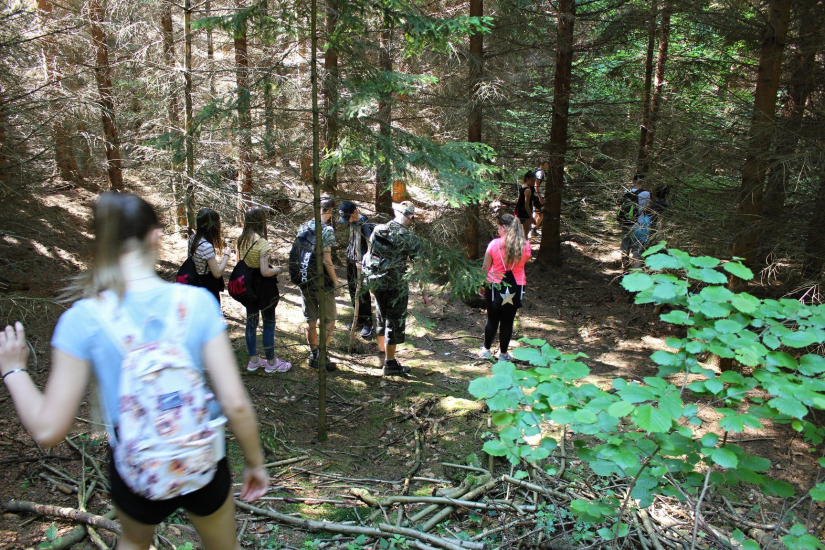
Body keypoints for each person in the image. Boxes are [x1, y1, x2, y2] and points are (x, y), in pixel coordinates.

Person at [0, 192, 268, 550]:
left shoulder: (83, 319)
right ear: (155, 237)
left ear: (101, 244)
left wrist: (14, 371)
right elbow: (235, 403)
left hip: (134, 467)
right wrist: (255, 463)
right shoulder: (197, 303)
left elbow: (48, 429)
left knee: (134, 542)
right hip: (201, 461)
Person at [363, 201, 431, 377]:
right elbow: (419, 268)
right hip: (396, 286)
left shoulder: (378, 229)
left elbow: (370, 254)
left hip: (377, 282)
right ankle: (390, 363)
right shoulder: (409, 238)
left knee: (380, 314)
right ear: (411, 217)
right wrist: (424, 293)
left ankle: (382, 354)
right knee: (393, 322)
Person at [237, 208, 292, 373]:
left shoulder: (241, 240)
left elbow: (239, 262)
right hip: (263, 287)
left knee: (251, 322)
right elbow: (264, 271)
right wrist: (278, 269)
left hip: (248, 285)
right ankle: (271, 362)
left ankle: (253, 360)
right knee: (268, 323)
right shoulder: (262, 243)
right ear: (261, 222)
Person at [479, 213, 531, 361]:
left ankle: (486, 350)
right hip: (517, 286)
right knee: (508, 321)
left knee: (492, 319)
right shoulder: (525, 246)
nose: (497, 231)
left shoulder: (494, 244)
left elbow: (485, 267)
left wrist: (482, 286)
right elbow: (522, 264)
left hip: (494, 284)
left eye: (498, 227)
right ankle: (503, 354)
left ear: (504, 226)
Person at [296, 196, 340, 372]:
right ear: (329, 210)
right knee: (330, 318)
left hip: (305, 278)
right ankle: (322, 354)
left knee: (311, 319)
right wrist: (336, 281)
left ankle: (313, 354)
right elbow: (326, 259)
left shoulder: (304, 226)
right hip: (321, 280)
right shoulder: (326, 229)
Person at [338, 201, 374, 338]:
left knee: (362, 292)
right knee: (352, 289)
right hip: (350, 259)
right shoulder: (351, 221)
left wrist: (364, 261)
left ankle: (368, 322)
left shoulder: (363, 221)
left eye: (349, 217)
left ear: (354, 212)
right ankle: (358, 317)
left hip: (361, 262)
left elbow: (370, 243)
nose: (348, 221)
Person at [188, 208, 232, 305]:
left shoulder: (192, 238)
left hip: (194, 282)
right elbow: (217, 273)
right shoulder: (206, 246)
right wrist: (226, 255)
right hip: (207, 288)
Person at [515, 171, 536, 238]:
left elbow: (519, 200)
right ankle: (525, 247)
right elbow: (527, 205)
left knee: (520, 233)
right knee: (525, 234)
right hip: (525, 214)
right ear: (527, 179)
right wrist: (531, 217)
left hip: (519, 212)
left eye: (534, 181)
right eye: (532, 181)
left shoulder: (522, 187)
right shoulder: (528, 190)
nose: (533, 182)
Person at [532, 161, 549, 237]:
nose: (548, 166)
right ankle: (534, 230)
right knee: (541, 214)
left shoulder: (537, 171)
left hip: (535, 195)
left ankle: (531, 229)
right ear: (545, 164)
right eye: (548, 164)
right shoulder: (540, 172)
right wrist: (539, 197)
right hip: (538, 195)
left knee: (536, 212)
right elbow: (536, 184)